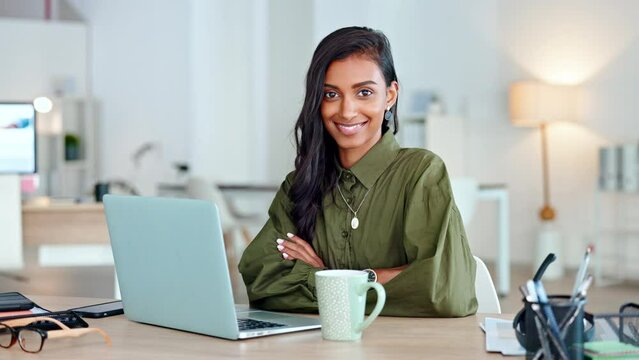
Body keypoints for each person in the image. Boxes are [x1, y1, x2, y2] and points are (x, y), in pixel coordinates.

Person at [239, 26, 477, 317]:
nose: (347, 111)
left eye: (364, 92)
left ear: (390, 95)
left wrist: (330, 277)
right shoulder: (299, 185)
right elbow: (264, 283)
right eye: (331, 94)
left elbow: (444, 290)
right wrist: (383, 278)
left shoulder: (420, 173)